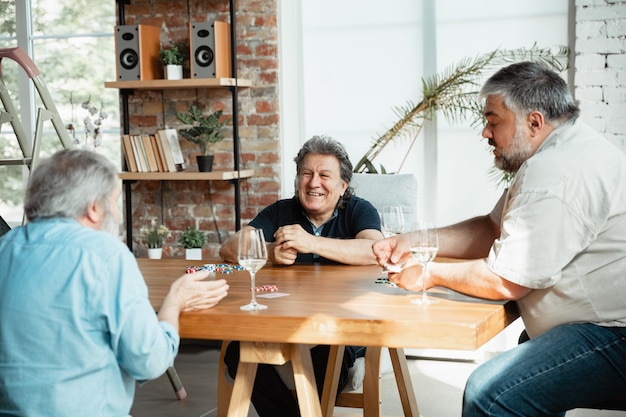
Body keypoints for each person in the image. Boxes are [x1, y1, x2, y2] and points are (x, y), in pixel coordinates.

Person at [373, 61, 626, 417]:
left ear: (533, 122)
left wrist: (430, 274)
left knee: (490, 393)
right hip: (591, 324)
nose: (485, 133)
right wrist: (415, 240)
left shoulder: (556, 171)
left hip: (613, 334)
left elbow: (507, 280)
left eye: (493, 121)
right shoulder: (561, 150)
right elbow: (492, 229)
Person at [0, 149, 229, 417]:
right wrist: (175, 301)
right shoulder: (105, 254)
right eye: (115, 203)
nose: (118, 217)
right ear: (94, 208)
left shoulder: (5, 247)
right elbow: (149, 361)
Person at [220, 135, 384, 416]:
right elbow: (230, 247)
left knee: (333, 353)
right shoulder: (281, 211)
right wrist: (269, 252)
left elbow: (375, 250)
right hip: (286, 325)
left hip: (340, 328)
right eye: (306, 174)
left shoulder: (359, 209)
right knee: (237, 351)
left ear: (343, 186)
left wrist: (311, 242)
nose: (313, 183)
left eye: (324, 175)